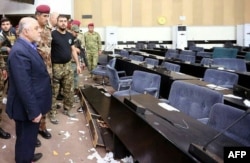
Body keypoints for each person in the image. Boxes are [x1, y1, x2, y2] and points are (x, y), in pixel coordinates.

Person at [6, 17, 52, 163]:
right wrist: (33, 111)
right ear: (25, 31)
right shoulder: (19, 51)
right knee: (25, 138)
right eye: (36, 29)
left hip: (33, 103)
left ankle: (28, 156)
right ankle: (24, 159)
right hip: (26, 108)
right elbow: (23, 86)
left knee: (29, 137)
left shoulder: (28, 46)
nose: (40, 31)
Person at [49, 15, 81, 124]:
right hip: (56, 66)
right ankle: (52, 113)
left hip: (68, 66)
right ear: (57, 22)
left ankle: (67, 109)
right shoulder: (52, 35)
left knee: (69, 90)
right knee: (54, 92)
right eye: (61, 21)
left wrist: (77, 64)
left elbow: (73, 50)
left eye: (65, 21)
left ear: (68, 23)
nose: (63, 23)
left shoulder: (69, 35)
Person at [35, 4, 52, 140]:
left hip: (47, 69)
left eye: (48, 16)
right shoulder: (30, 29)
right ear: (37, 16)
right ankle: (32, 130)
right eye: (45, 16)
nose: (47, 18)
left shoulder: (49, 30)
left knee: (45, 98)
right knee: (33, 99)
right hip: (34, 71)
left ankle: (42, 126)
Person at [0, 17, 17, 139]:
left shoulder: (13, 33)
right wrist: (5, 48)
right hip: (2, 64)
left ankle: (11, 107)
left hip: (11, 63)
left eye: (7, 24)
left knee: (13, 87)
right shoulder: (0, 35)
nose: (5, 26)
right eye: (3, 24)